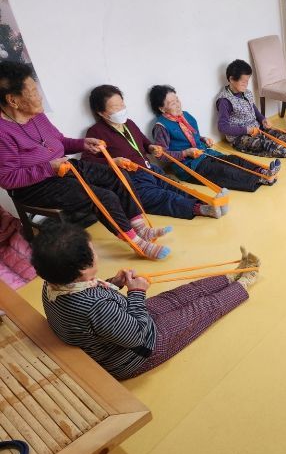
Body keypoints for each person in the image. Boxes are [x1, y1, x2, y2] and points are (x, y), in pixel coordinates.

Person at [32, 222, 260, 380]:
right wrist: (136, 293)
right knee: (199, 310)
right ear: (83, 269)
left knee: (177, 295)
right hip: (138, 351)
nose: (97, 253)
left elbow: (97, 307)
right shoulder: (95, 307)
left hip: (122, 323)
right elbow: (137, 336)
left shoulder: (53, 284)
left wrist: (115, 283)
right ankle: (244, 282)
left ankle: (230, 277)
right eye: (94, 252)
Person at [0, 61, 170, 260]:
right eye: (33, 92)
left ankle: (140, 228)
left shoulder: (37, 116)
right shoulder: (3, 132)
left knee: (117, 174)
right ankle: (136, 243)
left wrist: (83, 144)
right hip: (35, 186)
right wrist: (48, 167)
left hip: (62, 167)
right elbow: (7, 179)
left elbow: (59, 141)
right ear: (13, 100)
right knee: (103, 197)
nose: (40, 96)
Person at [84, 84, 224, 220]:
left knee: (175, 187)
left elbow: (144, 143)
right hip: (131, 179)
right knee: (163, 197)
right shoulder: (95, 132)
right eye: (115, 107)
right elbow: (87, 163)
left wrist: (152, 148)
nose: (121, 109)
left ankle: (207, 202)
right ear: (101, 112)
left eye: (122, 104)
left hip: (150, 169)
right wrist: (113, 162)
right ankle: (201, 209)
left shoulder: (128, 123)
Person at [150, 84, 278, 192]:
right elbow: (161, 155)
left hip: (204, 154)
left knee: (233, 159)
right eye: (172, 103)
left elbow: (192, 136)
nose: (178, 105)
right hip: (190, 167)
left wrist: (203, 139)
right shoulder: (161, 127)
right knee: (223, 171)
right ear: (162, 109)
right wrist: (185, 153)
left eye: (177, 100)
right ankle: (261, 179)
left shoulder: (185, 116)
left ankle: (263, 171)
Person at [215, 59, 286, 158]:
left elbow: (253, 109)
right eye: (243, 82)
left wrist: (262, 119)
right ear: (231, 79)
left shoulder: (246, 93)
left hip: (257, 129)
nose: (246, 84)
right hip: (240, 138)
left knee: (285, 134)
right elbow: (223, 127)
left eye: (247, 81)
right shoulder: (225, 101)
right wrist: (247, 130)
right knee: (269, 145)